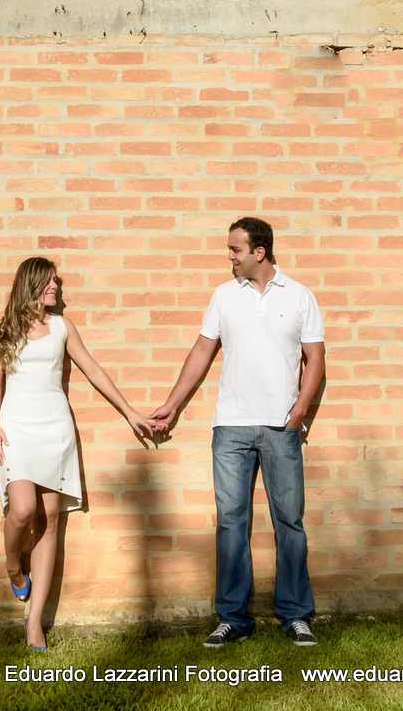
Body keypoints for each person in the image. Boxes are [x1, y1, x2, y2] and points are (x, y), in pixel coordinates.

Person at [150, 217, 325, 648]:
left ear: (258, 252)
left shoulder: (300, 296)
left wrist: (299, 410)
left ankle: (296, 615)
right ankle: (232, 617)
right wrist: (171, 404)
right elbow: (201, 352)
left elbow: (315, 360)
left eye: (235, 250)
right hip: (230, 427)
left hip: (280, 428)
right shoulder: (224, 296)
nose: (229, 256)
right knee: (231, 522)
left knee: (290, 521)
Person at [0, 256, 154, 649]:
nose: (56, 288)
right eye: (49, 282)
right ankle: (13, 566)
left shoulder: (62, 327)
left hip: (56, 428)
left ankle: (34, 622)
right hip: (16, 430)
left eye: (56, 283)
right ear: (30, 283)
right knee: (22, 509)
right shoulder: (3, 328)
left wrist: (129, 411)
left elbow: (93, 369)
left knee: (48, 520)